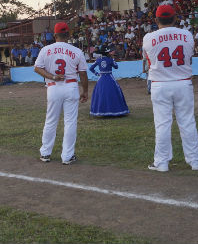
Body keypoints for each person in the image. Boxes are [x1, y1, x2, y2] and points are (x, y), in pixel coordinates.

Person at [142, 5, 198, 172]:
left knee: (162, 124)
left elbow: (149, 60)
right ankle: (195, 161)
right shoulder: (186, 34)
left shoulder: (148, 37)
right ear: (175, 18)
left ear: (156, 20)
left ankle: (161, 163)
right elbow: (189, 58)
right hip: (183, 82)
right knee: (187, 122)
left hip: (160, 84)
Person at [34, 22, 88, 165]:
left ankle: (45, 153)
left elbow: (37, 68)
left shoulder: (46, 49)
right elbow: (83, 74)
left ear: (55, 35)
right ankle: (67, 156)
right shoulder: (76, 51)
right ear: (68, 34)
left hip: (53, 87)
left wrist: (51, 76)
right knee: (70, 122)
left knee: (51, 121)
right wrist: (85, 91)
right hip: (71, 86)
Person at [88, 46, 129, 117]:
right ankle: (114, 110)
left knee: (100, 94)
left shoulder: (98, 59)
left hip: (101, 78)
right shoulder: (110, 59)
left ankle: (101, 110)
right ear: (107, 53)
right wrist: (113, 59)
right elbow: (116, 66)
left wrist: (97, 74)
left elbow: (91, 68)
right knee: (114, 93)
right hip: (110, 77)